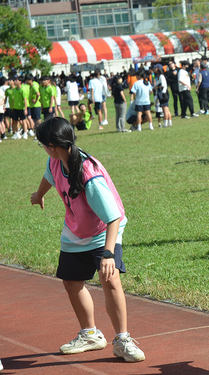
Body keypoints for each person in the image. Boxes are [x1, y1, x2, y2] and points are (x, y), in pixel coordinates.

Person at [30, 117, 145, 362]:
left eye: (42, 144)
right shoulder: (56, 159)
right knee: (71, 282)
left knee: (110, 279)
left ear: (52, 144)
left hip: (105, 229)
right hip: (76, 229)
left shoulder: (88, 175)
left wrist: (108, 254)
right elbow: (49, 176)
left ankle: (122, 340)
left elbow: (112, 217)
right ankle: (90, 334)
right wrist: (38, 195)